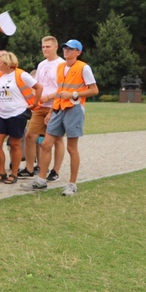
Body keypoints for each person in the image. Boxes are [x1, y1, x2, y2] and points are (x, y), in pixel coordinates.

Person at [22, 39, 98, 196]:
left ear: (78, 52)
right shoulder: (61, 66)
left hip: (74, 109)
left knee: (71, 148)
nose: (67, 51)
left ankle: (72, 184)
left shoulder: (84, 67)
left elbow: (94, 90)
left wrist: (74, 94)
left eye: (71, 49)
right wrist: (51, 111)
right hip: (58, 109)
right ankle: (41, 181)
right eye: (65, 48)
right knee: (46, 144)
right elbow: (59, 90)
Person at [0, 51, 41, 184]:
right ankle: (1, 172)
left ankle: (14, 173)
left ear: (8, 63)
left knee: (15, 144)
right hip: (1, 113)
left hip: (17, 113)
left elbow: (38, 87)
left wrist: (35, 103)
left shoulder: (21, 74)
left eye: (1, 62)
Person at [21, 36, 65, 180]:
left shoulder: (62, 64)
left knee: (55, 140)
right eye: (43, 47)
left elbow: (63, 88)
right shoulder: (41, 65)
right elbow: (37, 85)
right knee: (30, 136)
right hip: (40, 107)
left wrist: (49, 97)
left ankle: (55, 171)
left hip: (56, 106)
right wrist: (35, 97)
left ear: (56, 47)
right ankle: (29, 168)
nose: (45, 49)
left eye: (48, 46)